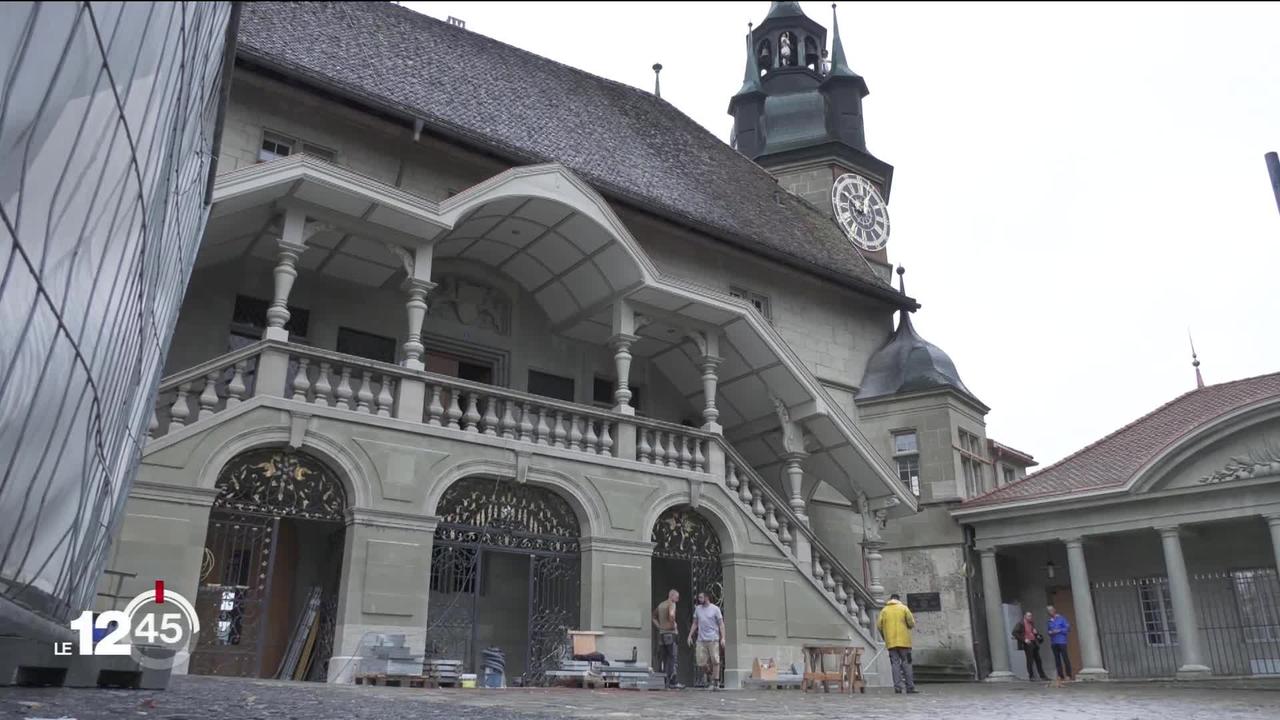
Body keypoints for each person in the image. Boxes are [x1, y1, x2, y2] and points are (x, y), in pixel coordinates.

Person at [876, 593, 918, 694]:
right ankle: (910, 687)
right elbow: (911, 622)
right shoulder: (904, 608)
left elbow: (879, 625)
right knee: (906, 664)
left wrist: (885, 636)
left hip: (891, 643)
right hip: (905, 642)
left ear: (890, 599)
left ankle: (898, 687)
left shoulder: (884, 610)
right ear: (898, 599)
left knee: (895, 664)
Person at [687, 592, 725, 690]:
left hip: (713, 638)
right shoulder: (698, 609)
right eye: (699, 597)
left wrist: (723, 638)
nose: (699, 599)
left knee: (715, 660)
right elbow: (695, 623)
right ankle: (710, 674)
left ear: (707, 598)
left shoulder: (715, 609)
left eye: (701, 597)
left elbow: (721, 624)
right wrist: (690, 635)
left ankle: (715, 682)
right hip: (701, 639)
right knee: (701, 662)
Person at [652, 589, 682, 689]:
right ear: (672, 596)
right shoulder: (672, 604)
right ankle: (673, 681)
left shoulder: (661, 605)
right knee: (673, 658)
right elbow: (672, 615)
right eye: (677, 597)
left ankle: (664, 682)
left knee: (664, 658)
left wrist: (660, 627)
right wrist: (674, 625)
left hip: (661, 635)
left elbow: (653, 617)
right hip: (670, 634)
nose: (677, 599)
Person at [1012, 610, 1049, 681]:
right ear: (1025, 616)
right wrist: (1024, 639)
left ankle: (1043, 676)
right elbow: (1014, 633)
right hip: (1028, 643)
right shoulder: (1020, 623)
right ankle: (1031, 676)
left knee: (1038, 660)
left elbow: (1033, 632)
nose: (1030, 617)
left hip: (1034, 642)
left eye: (1031, 616)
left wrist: (1037, 634)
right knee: (1030, 660)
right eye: (1028, 616)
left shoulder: (1031, 623)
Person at [1046, 605, 1073, 685]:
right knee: (1057, 660)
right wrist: (1050, 632)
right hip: (1054, 642)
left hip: (1062, 641)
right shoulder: (1049, 621)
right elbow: (1049, 631)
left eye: (1051, 610)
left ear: (1054, 610)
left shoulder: (1062, 619)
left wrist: (1059, 630)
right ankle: (1060, 675)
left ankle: (1068, 675)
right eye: (1048, 611)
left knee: (1065, 658)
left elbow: (1067, 628)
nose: (1050, 612)